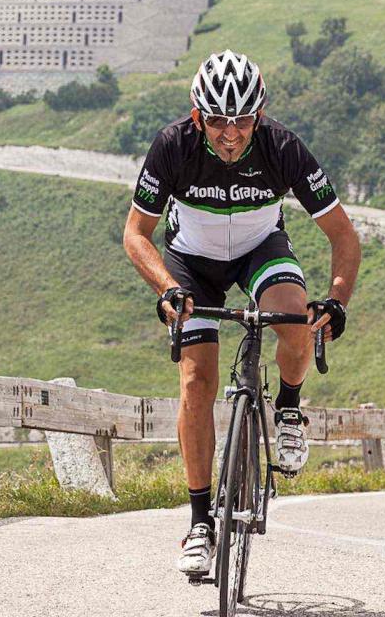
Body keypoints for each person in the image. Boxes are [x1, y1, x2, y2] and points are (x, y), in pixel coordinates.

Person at [121, 49, 361, 576]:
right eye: (217, 122)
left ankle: (290, 409)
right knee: (196, 380)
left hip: (259, 249)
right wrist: (165, 288)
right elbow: (136, 234)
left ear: (261, 115)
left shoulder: (283, 148)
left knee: (295, 317)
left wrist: (337, 299)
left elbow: (343, 234)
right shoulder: (171, 147)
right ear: (196, 116)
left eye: (242, 121)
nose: (230, 134)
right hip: (192, 263)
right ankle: (201, 521)